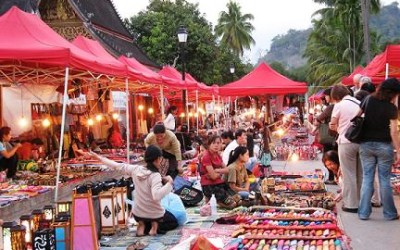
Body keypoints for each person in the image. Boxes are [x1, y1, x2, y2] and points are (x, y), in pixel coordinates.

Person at [82, 145, 175, 236]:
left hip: (137, 213)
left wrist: (98, 157)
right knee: (172, 221)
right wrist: (169, 184)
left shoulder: (135, 169)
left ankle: (142, 224)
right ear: (158, 159)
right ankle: (153, 227)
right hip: (154, 214)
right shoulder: (155, 175)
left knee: (145, 215)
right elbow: (156, 196)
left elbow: (116, 166)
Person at [357, 78, 400, 220]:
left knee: (367, 178)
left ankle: (363, 213)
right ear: (393, 93)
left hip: (366, 144)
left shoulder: (368, 100)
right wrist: (398, 150)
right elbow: (394, 132)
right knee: (385, 180)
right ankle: (389, 213)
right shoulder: (392, 108)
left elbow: (356, 117)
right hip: (384, 146)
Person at [329, 84, 362, 213]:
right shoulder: (360, 102)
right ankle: (361, 202)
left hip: (346, 141)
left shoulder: (339, 105)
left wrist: (337, 128)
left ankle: (351, 204)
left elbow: (332, 124)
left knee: (348, 174)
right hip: (361, 141)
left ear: (336, 96)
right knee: (360, 174)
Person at [200, 135, 238, 208]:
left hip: (219, 183)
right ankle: (214, 202)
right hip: (209, 185)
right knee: (232, 204)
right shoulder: (206, 156)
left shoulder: (217, 155)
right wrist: (220, 172)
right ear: (209, 145)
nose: (216, 145)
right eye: (214, 143)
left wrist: (217, 170)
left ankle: (213, 201)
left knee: (237, 199)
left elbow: (227, 170)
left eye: (218, 143)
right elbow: (213, 177)